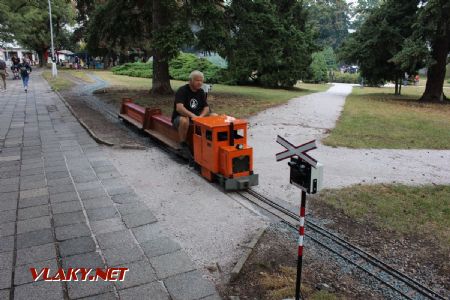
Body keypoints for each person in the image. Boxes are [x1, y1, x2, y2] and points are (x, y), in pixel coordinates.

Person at [171, 70, 215, 155]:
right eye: (197, 80)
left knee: (214, 116)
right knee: (184, 120)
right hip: (181, 118)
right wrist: (192, 116)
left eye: (201, 80)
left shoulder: (201, 92)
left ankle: (209, 140)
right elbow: (179, 108)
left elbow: (206, 108)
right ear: (190, 80)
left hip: (197, 117)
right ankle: (183, 144)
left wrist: (201, 117)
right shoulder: (182, 90)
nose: (200, 83)